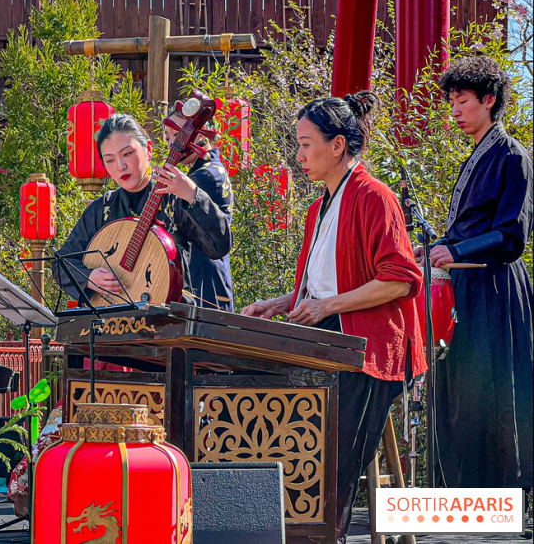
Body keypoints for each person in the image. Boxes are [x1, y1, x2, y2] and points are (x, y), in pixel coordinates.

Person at [240, 92, 425, 542]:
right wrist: (283, 302)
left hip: (369, 347)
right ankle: (280, 526)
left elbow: (400, 280)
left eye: (306, 144)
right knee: (266, 415)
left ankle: (323, 531)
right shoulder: (317, 208)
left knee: (323, 447)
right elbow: (324, 282)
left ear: (337, 145)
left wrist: (325, 307)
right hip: (328, 339)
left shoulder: (374, 196)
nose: (298, 154)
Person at [417, 56, 533, 489]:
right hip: (468, 288)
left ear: (488, 100)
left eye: (462, 101)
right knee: (462, 395)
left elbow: (511, 235)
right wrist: (434, 248)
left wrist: (456, 248)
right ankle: (460, 501)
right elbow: (465, 229)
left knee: (493, 395)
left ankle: (497, 508)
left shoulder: (512, 157)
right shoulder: (478, 156)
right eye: (452, 102)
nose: (455, 110)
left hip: (497, 291)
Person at [53, 113, 232, 306]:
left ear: (148, 149)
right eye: (110, 160)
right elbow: (62, 263)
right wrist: (88, 277)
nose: (120, 166)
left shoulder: (174, 197)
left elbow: (218, 245)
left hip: (170, 321)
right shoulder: (102, 208)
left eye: (127, 154)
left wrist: (192, 195)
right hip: (113, 326)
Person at [164, 104, 235, 311]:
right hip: (213, 282)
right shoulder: (211, 170)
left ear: (198, 133)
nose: (171, 144)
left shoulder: (203, 177)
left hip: (203, 286)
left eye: (177, 135)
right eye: (168, 137)